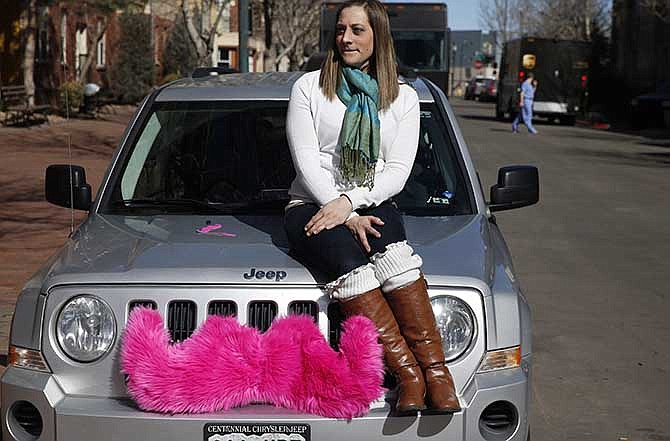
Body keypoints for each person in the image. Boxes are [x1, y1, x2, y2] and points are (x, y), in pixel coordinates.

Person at [283, 0, 459, 415]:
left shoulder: (403, 98)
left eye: (357, 30)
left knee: (397, 264)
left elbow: (398, 170)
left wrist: (351, 204)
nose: (346, 38)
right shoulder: (309, 87)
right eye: (341, 30)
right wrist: (339, 207)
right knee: (353, 269)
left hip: (371, 200)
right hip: (311, 205)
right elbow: (306, 160)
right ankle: (409, 376)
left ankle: (438, 375)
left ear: (378, 36)